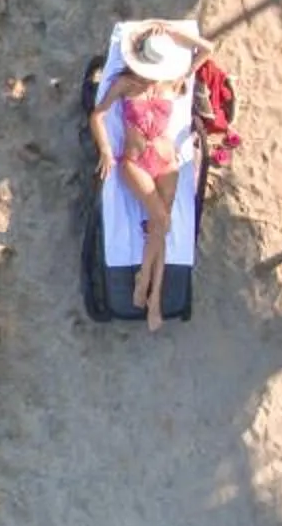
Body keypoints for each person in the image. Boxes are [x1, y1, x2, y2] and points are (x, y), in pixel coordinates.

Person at [89, 20, 216, 329]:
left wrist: (172, 33)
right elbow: (98, 115)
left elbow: (208, 48)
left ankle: (153, 293)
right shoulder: (125, 83)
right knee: (160, 220)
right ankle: (146, 283)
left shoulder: (174, 81)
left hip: (166, 161)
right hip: (135, 161)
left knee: (161, 226)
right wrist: (106, 149)